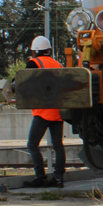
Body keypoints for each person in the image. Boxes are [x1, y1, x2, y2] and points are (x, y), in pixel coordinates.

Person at [21, 35, 67, 188]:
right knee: (58, 145)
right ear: (49, 50)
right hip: (57, 111)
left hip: (42, 112)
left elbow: (24, 82)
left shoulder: (34, 63)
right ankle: (58, 178)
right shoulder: (58, 64)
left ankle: (40, 176)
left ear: (34, 51)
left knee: (32, 144)